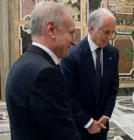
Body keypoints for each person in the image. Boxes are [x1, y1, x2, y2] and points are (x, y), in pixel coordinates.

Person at [5, 2, 81, 140]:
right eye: (71, 33)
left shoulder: (22, 63)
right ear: (51, 29)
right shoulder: (45, 74)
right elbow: (64, 135)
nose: (74, 42)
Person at [60, 8, 119, 140]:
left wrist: (106, 115)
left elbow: (113, 88)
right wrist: (88, 122)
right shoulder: (71, 55)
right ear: (92, 28)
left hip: (102, 126)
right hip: (79, 127)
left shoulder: (113, 53)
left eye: (113, 32)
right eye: (107, 32)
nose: (111, 37)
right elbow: (68, 95)